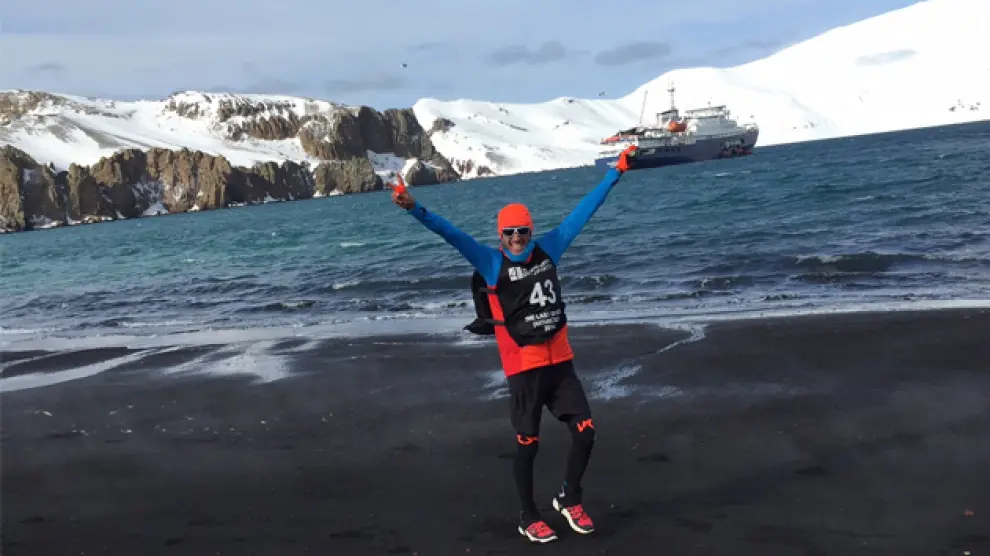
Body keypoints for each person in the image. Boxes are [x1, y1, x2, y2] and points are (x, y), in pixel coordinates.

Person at [390, 145, 638, 544]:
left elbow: (584, 211)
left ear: (531, 230)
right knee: (529, 445)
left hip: (561, 363)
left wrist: (616, 172)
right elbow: (449, 232)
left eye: (523, 230)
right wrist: (413, 208)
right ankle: (528, 515)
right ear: (500, 235)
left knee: (586, 432)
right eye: (510, 232)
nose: (518, 238)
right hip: (523, 369)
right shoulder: (490, 263)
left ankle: (569, 498)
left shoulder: (550, 248)